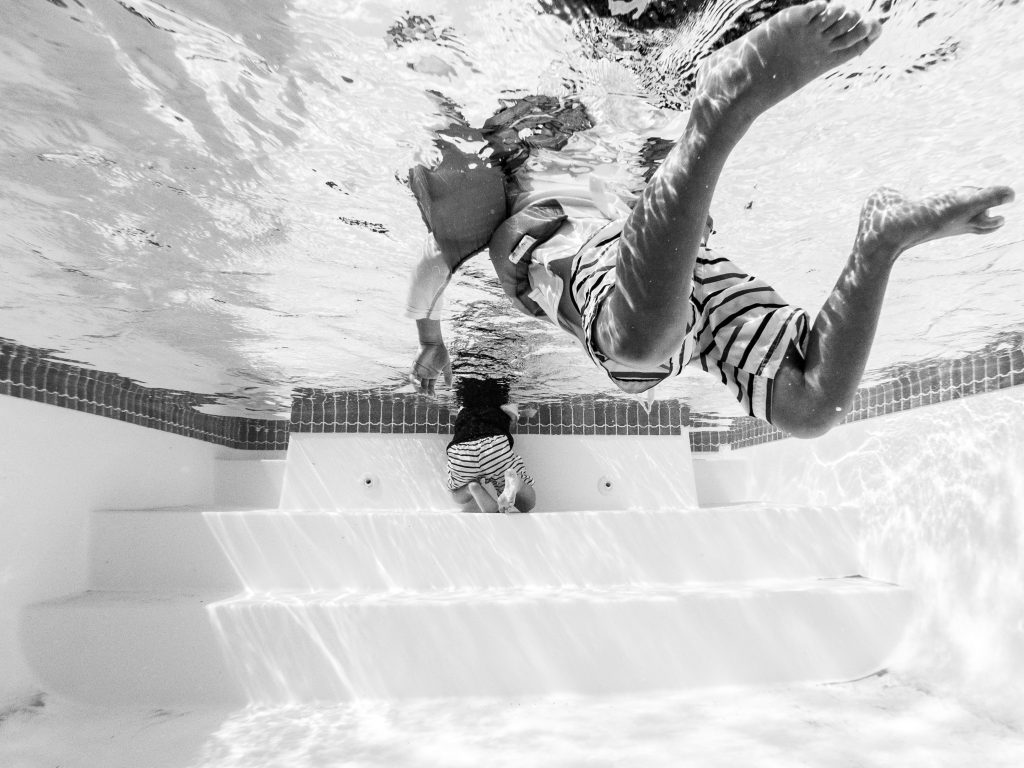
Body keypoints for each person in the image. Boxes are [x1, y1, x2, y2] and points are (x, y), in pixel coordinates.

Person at [406, 1, 1014, 438]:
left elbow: (439, 259)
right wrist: (431, 341)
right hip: (670, 274)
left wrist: (433, 342)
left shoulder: (530, 180)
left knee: (636, 352)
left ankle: (724, 104)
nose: (545, 130)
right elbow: (438, 260)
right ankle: (881, 241)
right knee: (809, 410)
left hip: (609, 268)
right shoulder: (545, 163)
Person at [446, 377, 538, 514]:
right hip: (495, 448)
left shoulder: (462, 408)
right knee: (527, 504)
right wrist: (520, 414)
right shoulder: (504, 403)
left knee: (456, 494)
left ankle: (472, 487)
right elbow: (514, 420)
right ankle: (516, 484)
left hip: (461, 452)